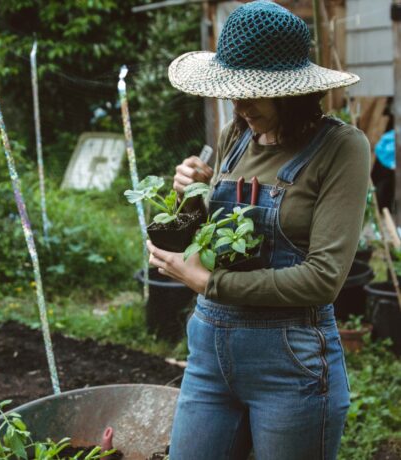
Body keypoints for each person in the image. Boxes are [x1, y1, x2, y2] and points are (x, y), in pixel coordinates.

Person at [146, 1, 370, 459]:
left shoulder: (341, 148)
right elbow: (222, 234)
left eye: (252, 91)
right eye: (233, 90)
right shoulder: (237, 134)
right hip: (209, 354)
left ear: (292, 91)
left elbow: (324, 279)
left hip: (289, 367)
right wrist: (194, 190)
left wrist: (209, 282)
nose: (238, 103)